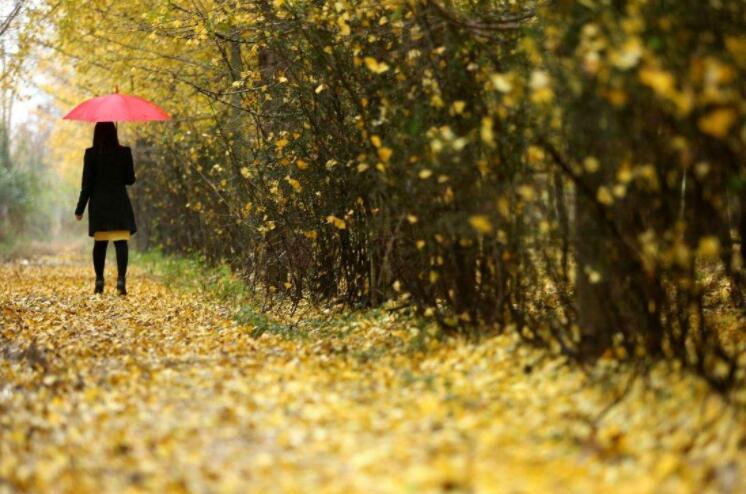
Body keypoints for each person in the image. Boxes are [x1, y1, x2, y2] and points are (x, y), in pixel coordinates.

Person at [74, 122, 137, 295]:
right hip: (119, 204)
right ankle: (121, 281)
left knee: (100, 244)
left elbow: (86, 185)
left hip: (99, 206)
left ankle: (99, 281)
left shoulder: (91, 154)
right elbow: (130, 180)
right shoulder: (124, 152)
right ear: (114, 133)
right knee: (120, 243)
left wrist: (80, 209)